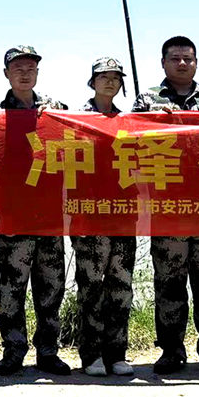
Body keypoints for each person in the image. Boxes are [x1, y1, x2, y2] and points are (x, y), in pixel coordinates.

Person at [131, 35, 199, 375]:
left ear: (196, 63)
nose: (182, 63)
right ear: (163, 63)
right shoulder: (148, 100)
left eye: (188, 58)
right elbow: (126, 139)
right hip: (167, 207)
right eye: (175, 58)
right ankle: (171, 350)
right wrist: (152, 121)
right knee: (169, 282)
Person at [0, 45, 71, 376]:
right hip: (13, 216)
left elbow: (84, 144)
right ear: (6, 74)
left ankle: (48, 352)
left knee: (51, 287)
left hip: (50, 215)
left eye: (31, 69)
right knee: (11, 288)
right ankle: (13, 350)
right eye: (18, 69)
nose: (25, 74)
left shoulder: (56, 111)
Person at [74, 57, 136, 377]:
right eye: (103, 76)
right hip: (89, 214)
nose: (110, 81)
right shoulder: (76, 119)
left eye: (116, 77)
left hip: (123, 214)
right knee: (91, 287)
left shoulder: (131, 121)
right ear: (92, 82)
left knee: (121, 286)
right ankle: (91, 354)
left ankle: (117, 352)